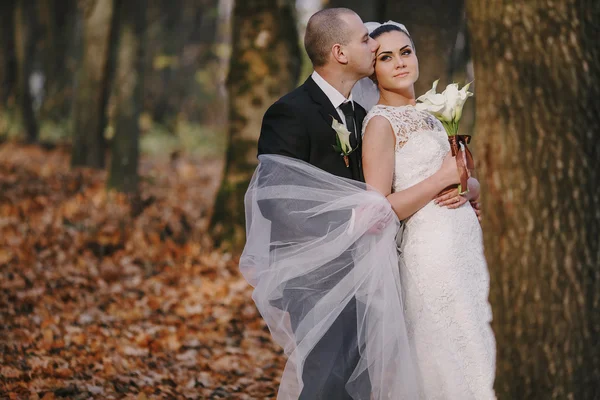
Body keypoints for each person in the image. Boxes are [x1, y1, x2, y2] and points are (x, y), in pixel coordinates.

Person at [359, 21, 496, 398]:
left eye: (406, 52)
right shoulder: (380, 124)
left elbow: (458, 177)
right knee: (451, 350)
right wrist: (439, 180)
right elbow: (379, 209)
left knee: (481, 338)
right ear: (373, 70)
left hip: (467, 247)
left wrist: (470, 189)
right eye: (386, 57)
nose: (400, 63)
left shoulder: (432, 116)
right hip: (431, 255)